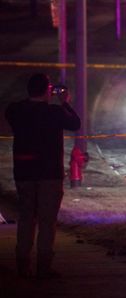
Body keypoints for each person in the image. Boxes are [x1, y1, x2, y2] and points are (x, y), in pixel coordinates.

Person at [5, 73, 81, 278]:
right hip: (49, 173)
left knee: (26, 217)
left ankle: (22, 264)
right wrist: (64, 103)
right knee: (47, 221)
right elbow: (75, 123)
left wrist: (36, 96)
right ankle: (43, 266)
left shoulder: (16, 111)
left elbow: (13, 109)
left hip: (23, 171)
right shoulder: (54, 112)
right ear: (47, 91)